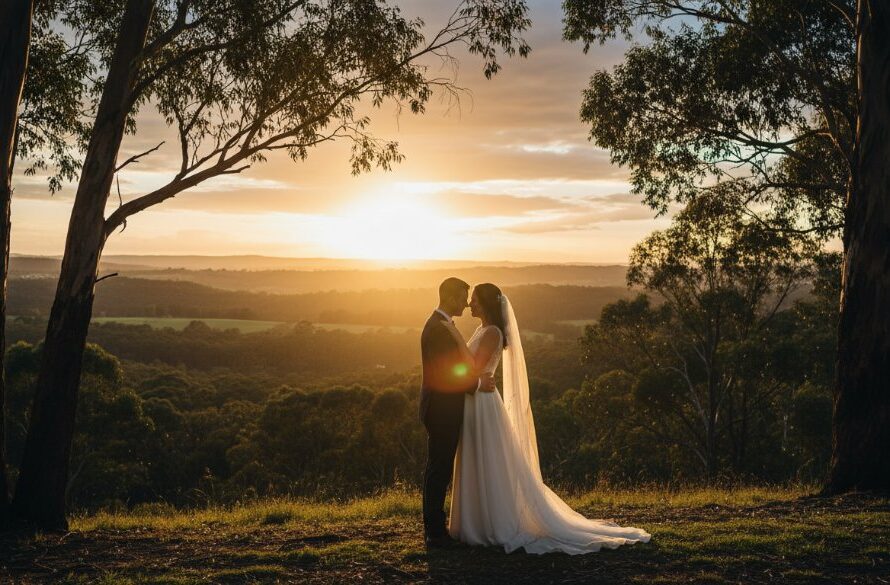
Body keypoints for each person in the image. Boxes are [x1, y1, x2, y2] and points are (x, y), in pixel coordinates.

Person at [443, 283, 651, 554]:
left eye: (474, 299)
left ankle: (490, 524)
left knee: (487, 460)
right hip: (474, 399)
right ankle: (475, 521)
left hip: (482, 403)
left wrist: (455, 342)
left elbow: (473, 368)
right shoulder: (482, 329)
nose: (470, 304)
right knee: (476, 457)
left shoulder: (492, 332)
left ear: (485, 303)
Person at [419, 277, 495, 548]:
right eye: (463, 297)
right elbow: (445, 374)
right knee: (439, 467)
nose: (465, 303)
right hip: (441, 408)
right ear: (450, 297)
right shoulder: (439, 329)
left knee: (439, 466)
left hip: (445, 406)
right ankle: (435, 533)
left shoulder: (442, 325)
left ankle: (435, 528)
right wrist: (476, 383)